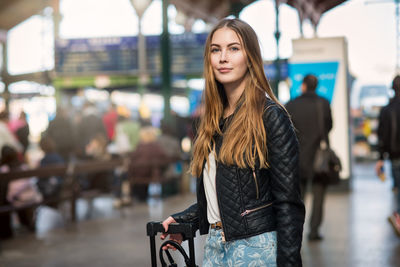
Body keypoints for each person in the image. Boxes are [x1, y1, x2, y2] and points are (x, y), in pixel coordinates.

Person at [161, 18, 305, 267]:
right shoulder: (213, 121)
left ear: (250, 56)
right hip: (216, 247)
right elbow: (229, 194)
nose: (222, 57)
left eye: (233, 48)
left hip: (257, 249)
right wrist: (187, 219)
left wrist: (289, 262)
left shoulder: (269, 115)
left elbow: (288, 203)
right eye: (216, 50)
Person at [285, 74, 333, 241]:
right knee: (319, 196)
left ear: (304, 86)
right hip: (320, 160)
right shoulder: (324, 103)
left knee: (298, 198)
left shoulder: (291, 105)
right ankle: (314, 231)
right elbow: (329, 126)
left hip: (297, 159)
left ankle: (295, 231)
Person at [376, 75, 400, 235]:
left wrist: (380, 158)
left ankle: (398, 217)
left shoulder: (387, 109)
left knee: (398, 188)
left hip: (395, 156)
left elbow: (382, 135)